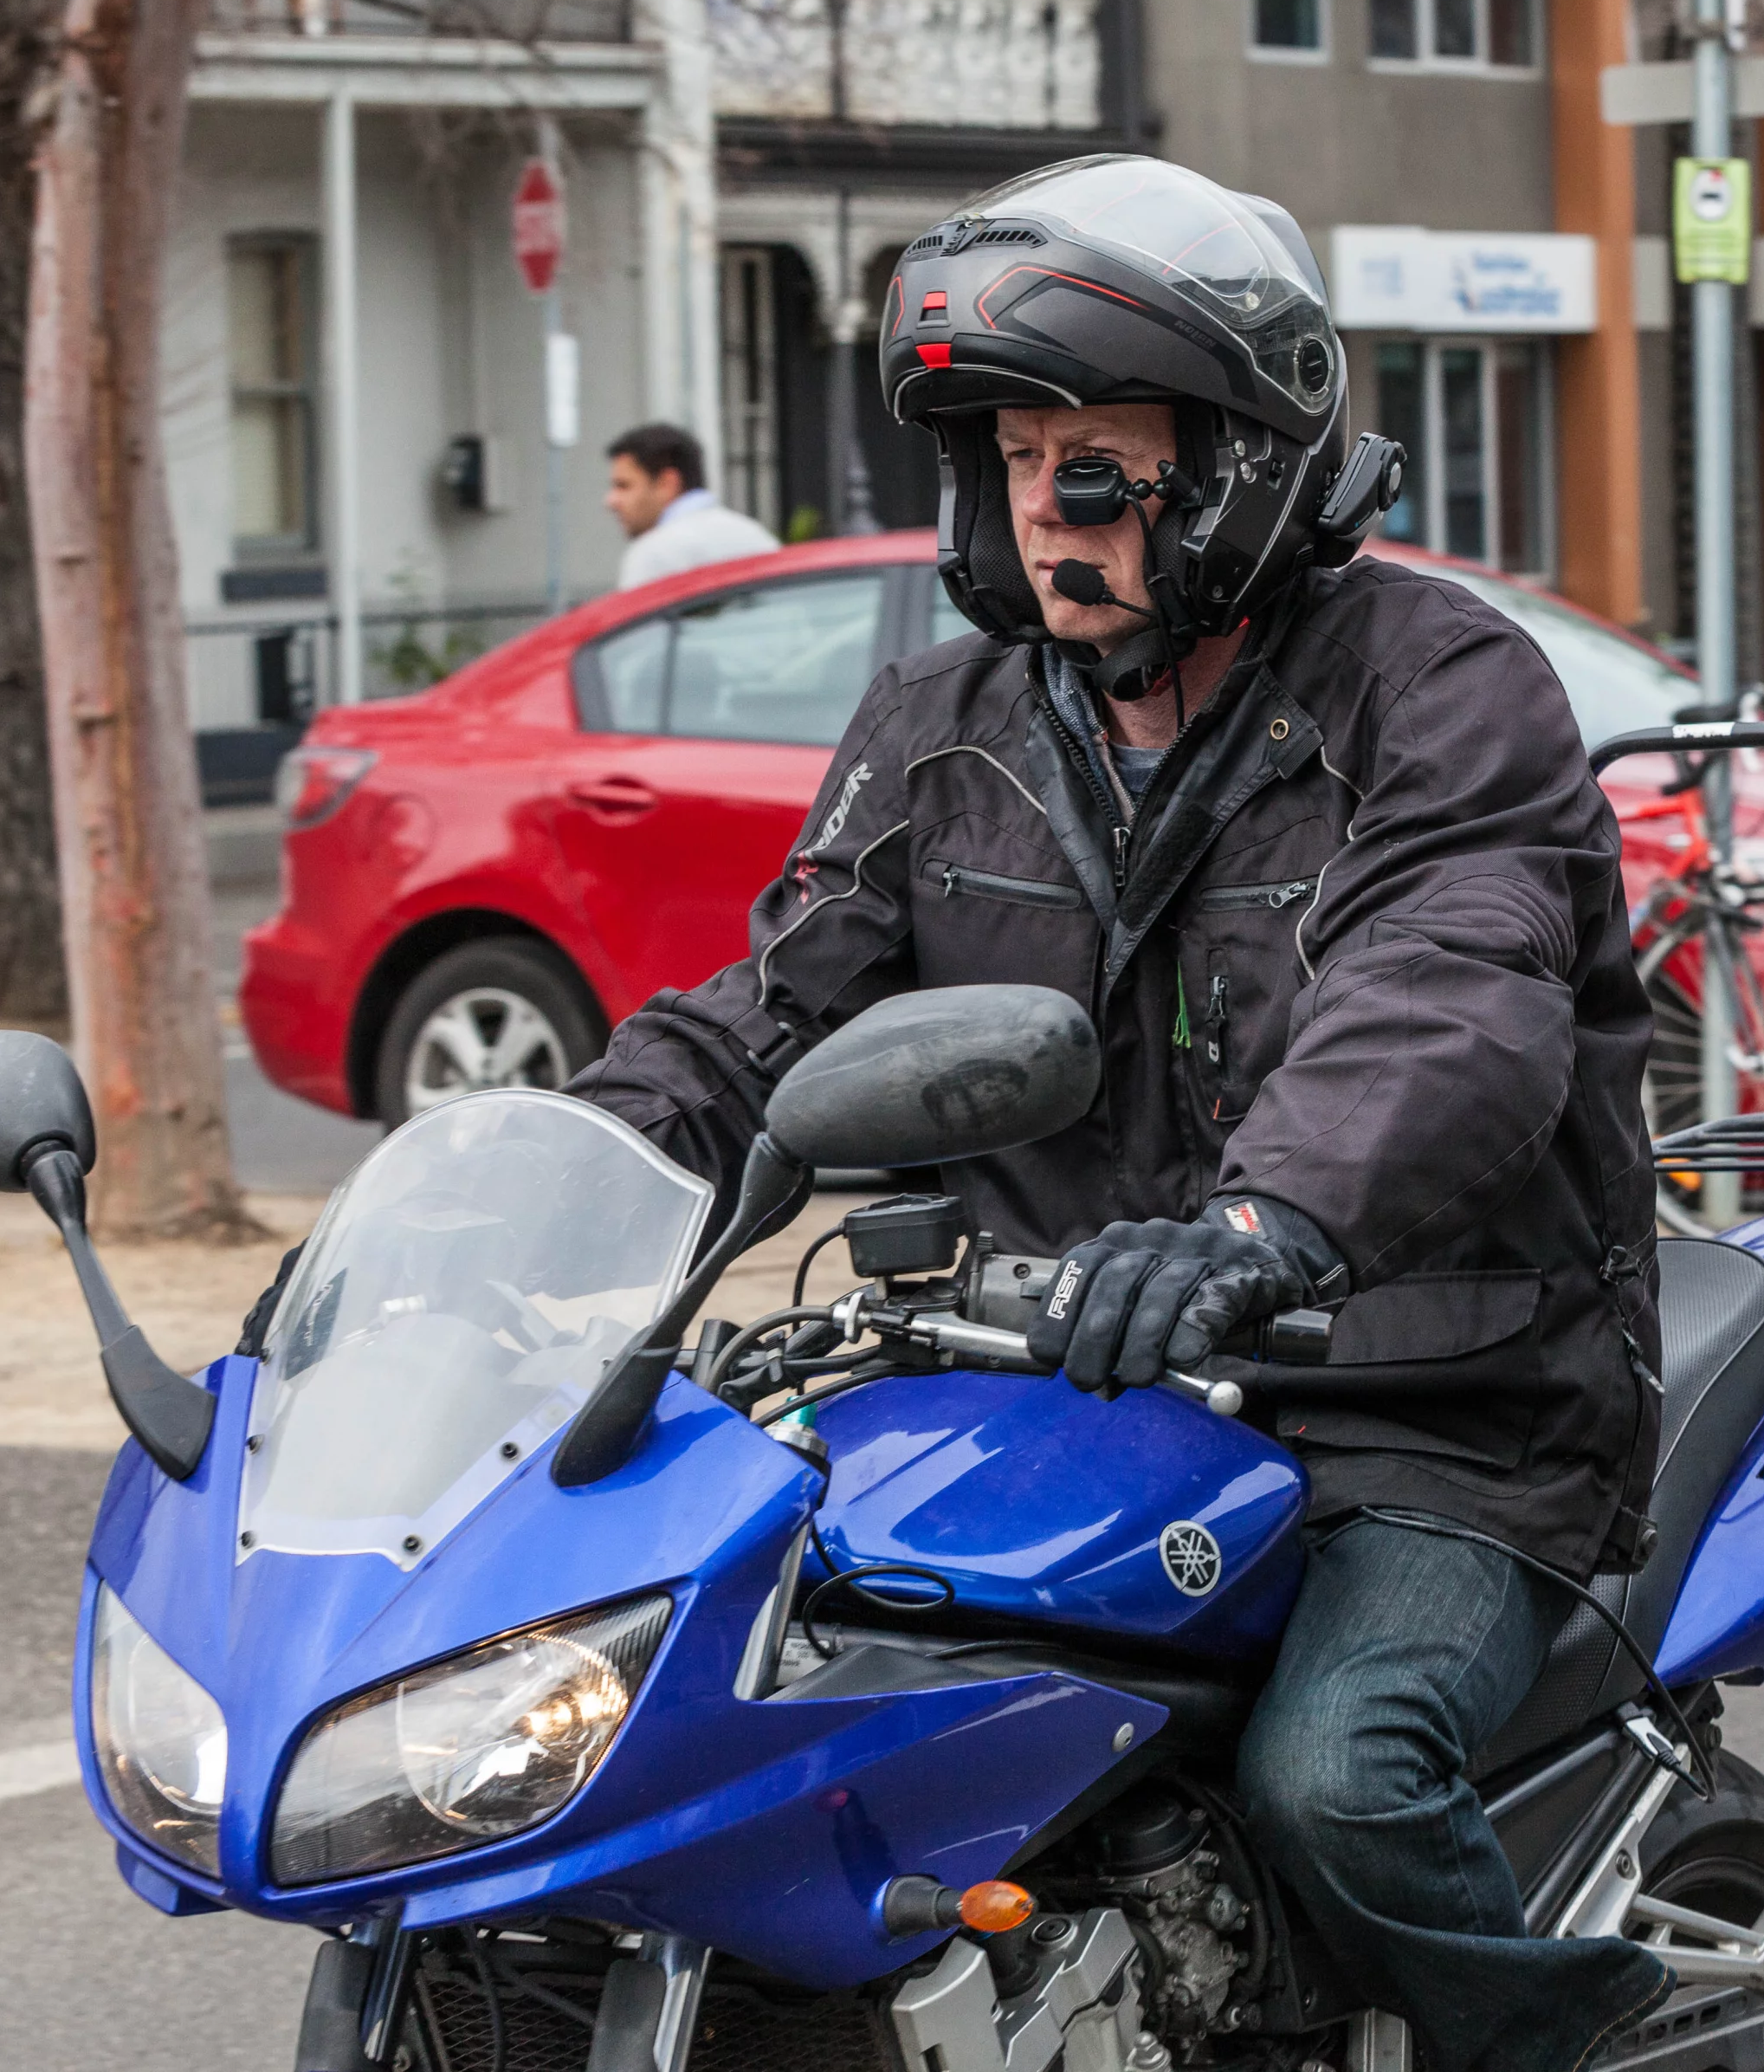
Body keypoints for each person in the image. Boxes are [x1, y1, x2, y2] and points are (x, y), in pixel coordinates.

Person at [569, 158, 1670, 2072]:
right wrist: (549, 1193)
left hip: (1430, 1401)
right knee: (765, 1717)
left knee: (1341, 1781)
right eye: (1011, 460)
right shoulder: (942, 728)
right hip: (1073, 1389)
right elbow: (773, 1018)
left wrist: (1265, 1227)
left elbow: (1450, 1002)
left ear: (1240, 464)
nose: (1041, 509)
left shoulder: (1439, 690)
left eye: (1094, 463)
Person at [604, 423, 779, 589]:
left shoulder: (653, 554)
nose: (611, 501)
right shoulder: (755, 536)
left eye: (624, 486)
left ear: (667, 484)